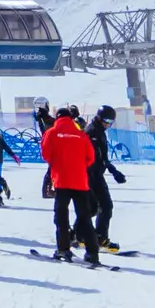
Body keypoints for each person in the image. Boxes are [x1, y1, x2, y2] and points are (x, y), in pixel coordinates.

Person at [41, 107, 100, 264]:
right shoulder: (81, 134)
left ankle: (63, 249)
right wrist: (78, 165)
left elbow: (46, 154)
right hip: (80, 181)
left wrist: (58, 163)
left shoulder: (52, 133)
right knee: (84, 217)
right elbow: (90, 157)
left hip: (61, 181)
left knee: (61, 216)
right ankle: (92, 252)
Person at [86, 105, 128, 253]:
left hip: (97, 174)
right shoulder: (92, 132)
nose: (108, 124)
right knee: (99, 207)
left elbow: (102, 158)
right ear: (98, 118)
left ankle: (97, 237)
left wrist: (113, 170)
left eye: (111, 122)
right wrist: (110, 169)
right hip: (90, 175)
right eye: (106, 121)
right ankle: (85, 237)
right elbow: (94, 158)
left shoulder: (100, 131)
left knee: (100, 207)